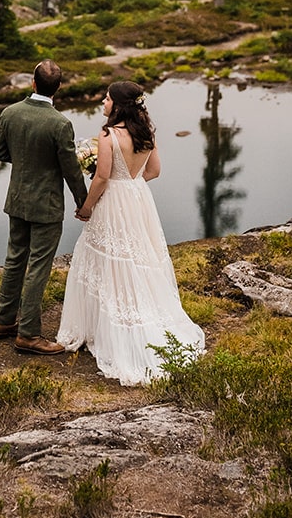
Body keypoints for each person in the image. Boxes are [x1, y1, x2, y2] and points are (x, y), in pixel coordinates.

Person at [57, 80, 205, 386]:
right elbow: (154, 172)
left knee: (106, 258)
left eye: (107, 99)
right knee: (139, 257)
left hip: (113, 201)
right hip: (138, 201)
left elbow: (101, 178)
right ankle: (143, 314)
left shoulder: (108, 135)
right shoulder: (146, 133)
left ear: (118, 105)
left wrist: (86, 207)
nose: (103, 103)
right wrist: (132, 185)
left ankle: (103, 329)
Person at [0, 59, 87, 355]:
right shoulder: (60, 124)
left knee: (15, 259)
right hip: (46, 205)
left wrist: (26, 162)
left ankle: (4, 321)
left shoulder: (10, 113)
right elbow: (71, 170)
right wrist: (83, 202)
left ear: (32, 83)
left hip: (17, 198)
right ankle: (29, 334)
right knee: (39, 267)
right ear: (57, 88)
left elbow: (0, 152)